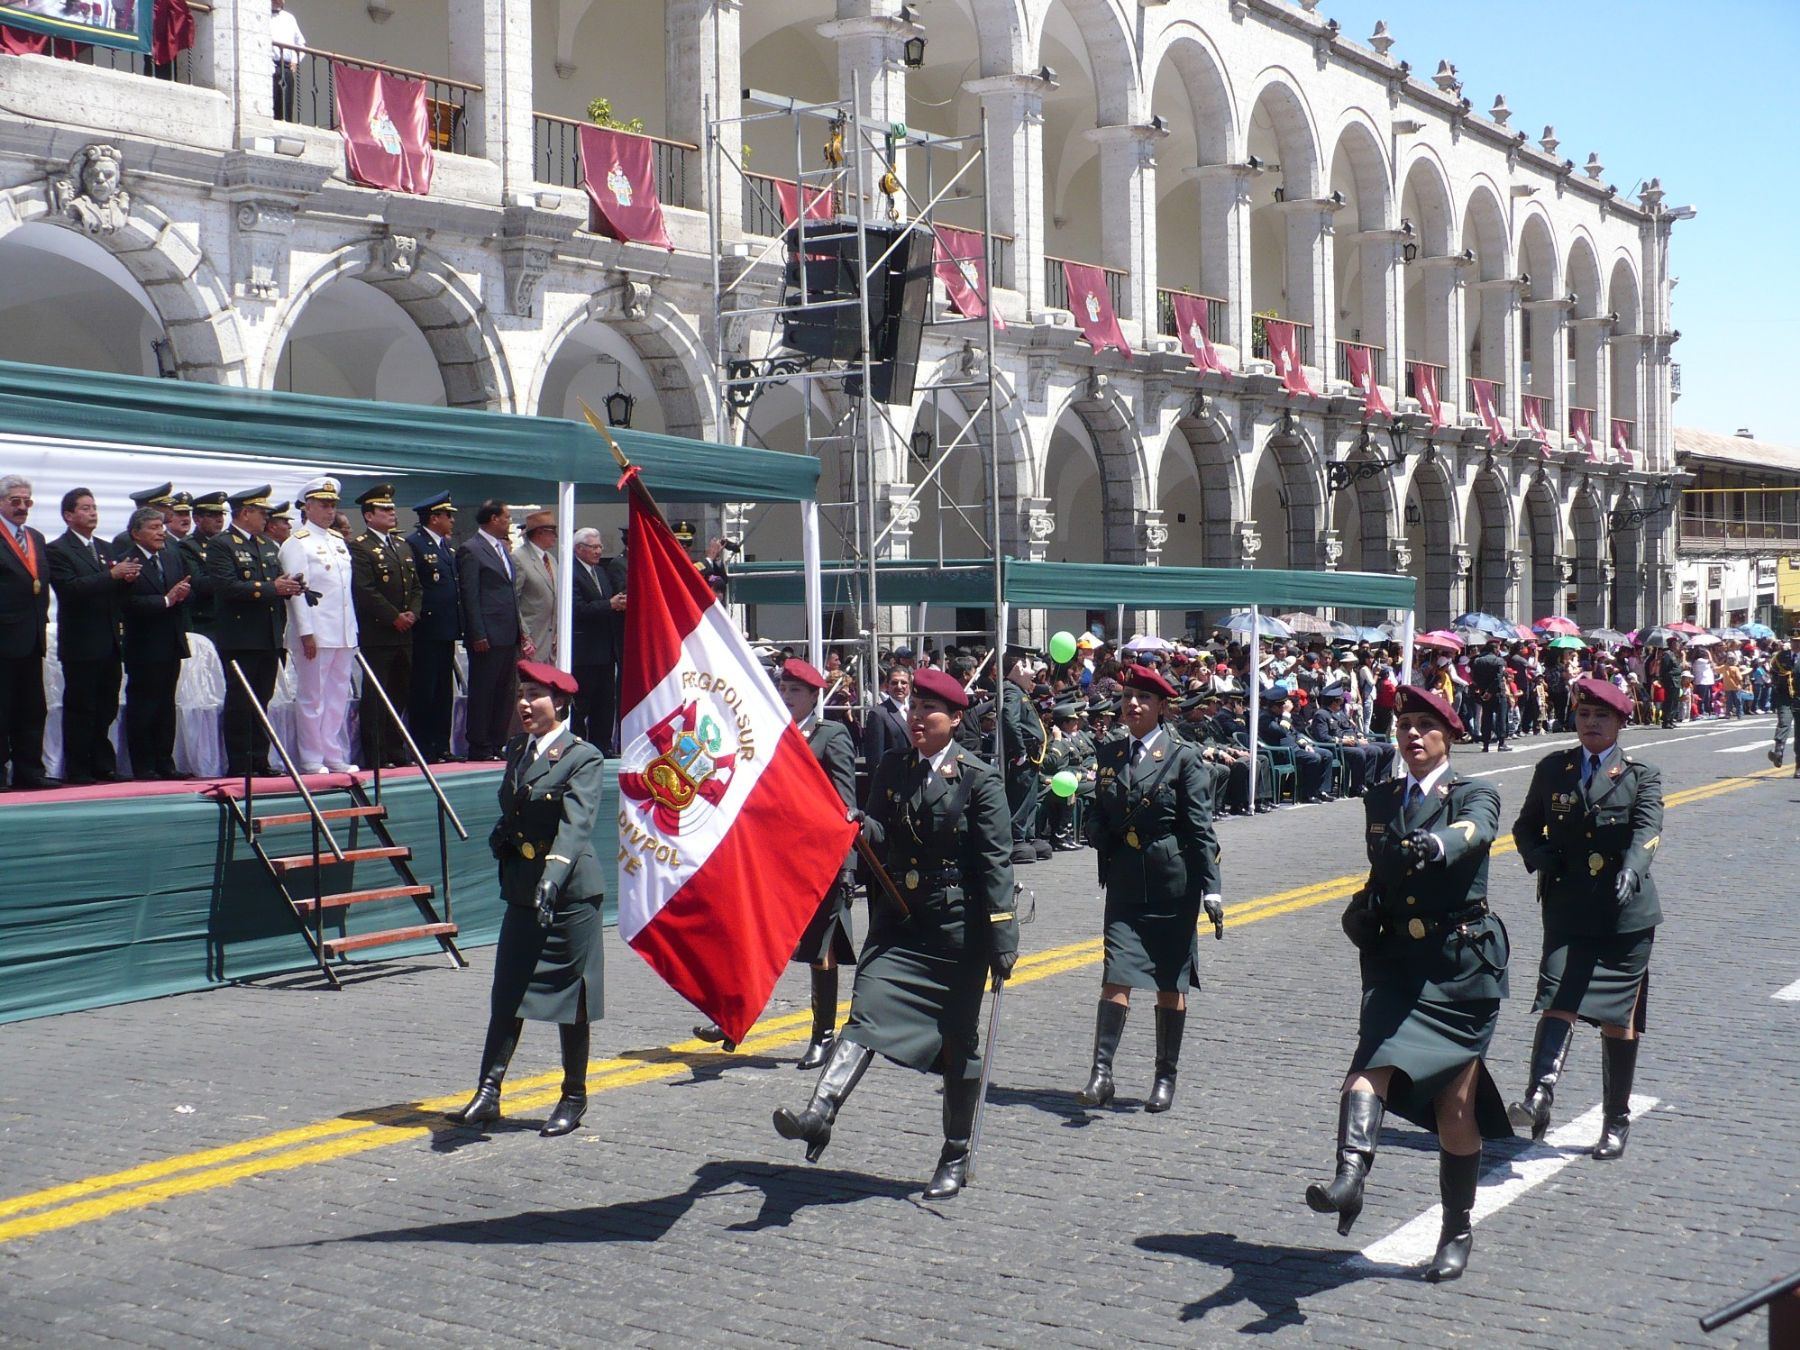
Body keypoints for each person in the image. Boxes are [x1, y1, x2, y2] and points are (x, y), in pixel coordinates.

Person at [773, 667, 1017, 1199]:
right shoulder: (892, 766)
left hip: (955, 931)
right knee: (866, 1013)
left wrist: (1003, 937)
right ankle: (820, 1112)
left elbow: (997, 865)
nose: (916, 719)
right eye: (912, 710)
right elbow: (883, 836)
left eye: (928, 712)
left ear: (955, 720)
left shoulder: (978, 778)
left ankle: (954, 1152)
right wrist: (862, 825)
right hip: (900, 921)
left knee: (957, 1046)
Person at [1307, 685, 1512, 1283]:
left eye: (1426, 726)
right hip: (1397, 962)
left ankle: (1457, 1228)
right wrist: (1361, 906)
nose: (1413, 736)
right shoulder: (1381, 797)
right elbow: (1382, 873)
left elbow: (1475, 832)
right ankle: (1350, 1179)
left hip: (1459, 968)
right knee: (1367, 1070)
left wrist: (1435, 843)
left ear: (1450, 735)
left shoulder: (1476, 791)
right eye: (1404, 727)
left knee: (1454, 1106)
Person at [447, 661, 606, 1137]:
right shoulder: (518, 748)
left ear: (559, 703)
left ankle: (573, 1097)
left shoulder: (583, 756)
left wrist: (553, 876)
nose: (523, 703)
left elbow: (577, 824)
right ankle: (488, 1092)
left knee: (569, 996)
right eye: (520, 693)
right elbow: (516, 807)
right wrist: (503, 837)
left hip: (569, 893)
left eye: (534, 694)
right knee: (507, 992)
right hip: (523, 887)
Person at [1510, 676, 1663, 1160]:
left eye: (1601, 716)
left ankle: (1615, 1121)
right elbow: (1524, 825)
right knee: (1556, 995)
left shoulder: (1642, 774)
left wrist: (1633, 871)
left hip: (1624, 913)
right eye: (1583, 715)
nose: (1590, 724)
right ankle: (1539, 1096)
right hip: (1568, 904)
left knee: (1619, 1019)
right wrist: (1539, 855)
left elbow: (1647, 830)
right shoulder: (1554, 768)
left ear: (1620, 722)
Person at [1076, 664, 1223, 1115]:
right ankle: (1101, 1075)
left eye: (1143, 699)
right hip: (1124, 880)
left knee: (1168, 980)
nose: (1132, 705)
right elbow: (1099, 807)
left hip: (1171, 884)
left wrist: (1213, 890)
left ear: (1162, 707)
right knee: (1115, 973)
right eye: (1127, 697)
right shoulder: (1111, 752)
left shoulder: (1183, 756)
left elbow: (1200, 828)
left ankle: (1165, 1076)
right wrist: (1096, 828)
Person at [696, 659, 858, 1062]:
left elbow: (844, 804)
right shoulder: (769, 735)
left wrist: (846, 864)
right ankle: (732, 1017)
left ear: (814, 697)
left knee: (821, 952)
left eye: (795, 692)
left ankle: (822, 1036)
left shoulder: (829, 735)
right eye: (782, 690)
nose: (786, 698)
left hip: (816, 863)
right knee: (751, 939)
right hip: (771, 860)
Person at [208, 485, 301, 776]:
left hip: (269, 634)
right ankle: (240, 763)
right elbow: (226, 587)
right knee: (240, 700)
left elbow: (274, 582)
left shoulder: (266, 545)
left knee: (263, 699)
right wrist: (273, 588)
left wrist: (289, 585)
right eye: (261, 512)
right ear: (245, 513)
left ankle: (259, 758)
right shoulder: (223, 544)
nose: (266, 518)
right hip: (241, 636)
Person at [46, 487, 136, 785]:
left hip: (109, 640)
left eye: (94, 507)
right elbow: (70, 589)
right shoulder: (58, 549)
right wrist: (111, 576)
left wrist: (126, 580)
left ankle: (102, 764)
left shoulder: (105, 547)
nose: (92, 512)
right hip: (81, 642)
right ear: (68, 515)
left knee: (106, 706)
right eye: (84, 508)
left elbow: (115, 593)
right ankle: (78, 767)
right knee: (81, 707)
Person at [279, 478, 359, 774]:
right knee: (313, 696)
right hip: (316, 630)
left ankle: (332, 753)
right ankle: (311, 757)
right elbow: (298, 592)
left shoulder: (337, 542)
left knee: (338, 695)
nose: (329, 511)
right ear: (308, 507)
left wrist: (352, 630)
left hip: (342, 630)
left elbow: (344, 592)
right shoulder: (297, 543)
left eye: (333, 505)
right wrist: (305, 632)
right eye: (323, 505)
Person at [349, 484, 421, 769]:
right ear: (368, 516)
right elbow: (365, 590)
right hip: (379, 632)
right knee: (377, 696)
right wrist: (394, 616)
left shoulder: (401, 546)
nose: (392, 513)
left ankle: (395, 749)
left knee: (399, 693)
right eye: (384, 509)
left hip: (405, 633)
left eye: (392, 508)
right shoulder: (361, 546)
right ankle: (376, 754)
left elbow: (416, 586)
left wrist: (412, 613)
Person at [119, 506, 194, 780]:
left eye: (162, 526)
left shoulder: (172, 556)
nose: (161, 532)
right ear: (136, 533)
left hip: (171, 640)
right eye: (153, 527)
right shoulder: (127, 561)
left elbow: (187, 587)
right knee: (144, 705)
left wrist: (184, 594)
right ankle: (144, 765)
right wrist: (165, 600)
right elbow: (126, 604)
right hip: (144, 644)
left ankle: (166, 762)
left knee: (166, 704)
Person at [458, 500, 528, 761]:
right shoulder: (471, 550)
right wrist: (477, 633)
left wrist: (520, 630)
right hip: (487, 634)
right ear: (493, 519)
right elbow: (470, 594)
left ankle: (497, 742)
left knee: (505, 692)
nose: (509, 522)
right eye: (506, 517)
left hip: (508, 633)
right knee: (484, 690)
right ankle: (479, 744)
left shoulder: (502, 549)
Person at [0, 473, 54, 790]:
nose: (22, 507)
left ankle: (29, 771)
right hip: (3, 637)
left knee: (33, 709)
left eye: (27, 501)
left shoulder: (34, 536)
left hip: (32, 637)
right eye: (15, 501)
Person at [404, 493, 460, 762]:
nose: (452, 520)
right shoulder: (415, 544)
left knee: (442, 691)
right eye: (448, 515)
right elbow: (416, 586)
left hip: (446, 628)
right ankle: (423, 747)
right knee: (424, 690)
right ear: (434, 517)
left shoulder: (445, 547)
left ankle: (441, 745)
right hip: (426, 628)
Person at [570, 526, 626, 754]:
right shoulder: (572, 572)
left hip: (606, 650)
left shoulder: (601, 572)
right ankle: (577, 748)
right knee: (581, 703)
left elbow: (609, 600)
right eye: (593, 547)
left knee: (605, 703)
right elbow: (577, 608)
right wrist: (609, 605)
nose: (598, 551)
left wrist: (619, 603)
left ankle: (602, 746)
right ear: (579, 549)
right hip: (584, 651)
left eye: (600, 546)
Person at [1000, 649, 1048, 864]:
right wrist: (1019, 751)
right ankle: (1017, 838)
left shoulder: (1020, 691)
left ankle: (1028, 835)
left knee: (1030, 798)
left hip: (1032, 755)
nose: (1032, 673)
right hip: (1023, 754)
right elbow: (1010, 720)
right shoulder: (1011, 690)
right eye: (1028, 667)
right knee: (1019, 798)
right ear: (1018, 668)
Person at [179, 490, 229, 639]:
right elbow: (199, 583)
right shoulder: (188, 546)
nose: (219, 520)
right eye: (212, 515)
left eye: (221, 515)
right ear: (197, 519)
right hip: (205, 620)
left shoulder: (227, 543)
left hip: (229, 617)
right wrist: (230, 578)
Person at [513, 510, 559, 667]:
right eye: (552, 532)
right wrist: (524, 634)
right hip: (532, 637)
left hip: (552, 639)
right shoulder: (519, 558)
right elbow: (513, 599)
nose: (556, 536)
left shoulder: (551, 559)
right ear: (539, 533)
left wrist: (558, 628)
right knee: (531, 687)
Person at [860, 663, 911, 779]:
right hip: (894, 782)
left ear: (910, 685)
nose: (899, 686)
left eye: (903, 682)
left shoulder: (915, 710)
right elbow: (875, 759)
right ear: (887, 686)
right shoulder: (878, 714)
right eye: (894, 682)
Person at [1469, 638, 1511, 752]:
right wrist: (1490, 691)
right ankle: (1501, 742)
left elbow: (1474, 676)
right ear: (1495, 648)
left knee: (1486, 717)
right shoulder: (1499, 661)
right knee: (1501, 718)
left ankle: (1486, 743)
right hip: (1497, 692)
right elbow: (1498, 678)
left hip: (1483, 692)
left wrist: (1483, 690)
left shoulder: (1477, 661)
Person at [1768, 634, 1800, 773]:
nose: (1796, 644)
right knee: (1783, 722)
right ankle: (1778, 752)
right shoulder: (1781, 656)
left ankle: (1799, 767)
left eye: (1798, 642)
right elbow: (1773, 671)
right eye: (1794, 641)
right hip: (1785, 697)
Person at [270, 0, 304, 121]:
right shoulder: (262, 16)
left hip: (286, 67)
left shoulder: (289, 18)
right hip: (268, 65)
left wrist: (295, 60)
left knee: (286, 105)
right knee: (271, 103)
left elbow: (300, 43)